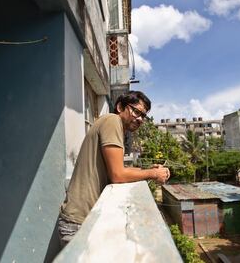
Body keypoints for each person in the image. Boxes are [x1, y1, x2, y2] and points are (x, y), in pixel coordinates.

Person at [58, 90, 170, 248]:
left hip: (83, 221)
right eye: (136, 111)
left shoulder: (112, 124)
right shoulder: (112, 121)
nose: (140, 119)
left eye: (143, 115)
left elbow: (118, 168)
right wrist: (153, 174)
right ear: (119, 107)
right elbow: (117, 175)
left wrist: (146, 170)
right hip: (78, 224)